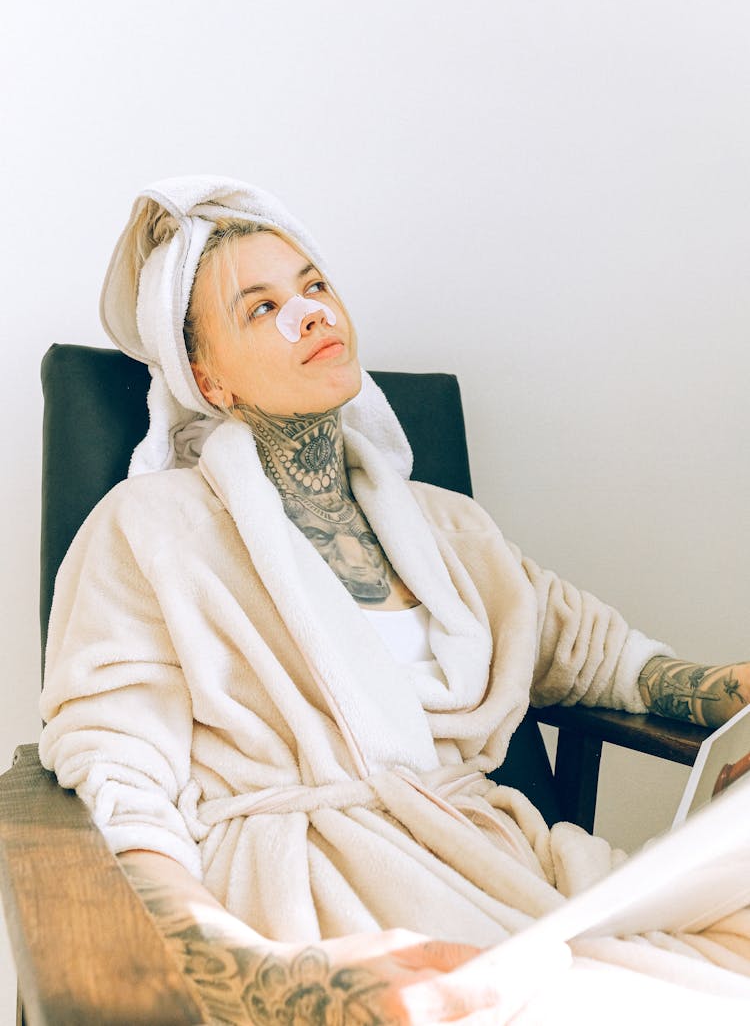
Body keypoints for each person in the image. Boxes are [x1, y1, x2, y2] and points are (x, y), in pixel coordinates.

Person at [39, 176, 750, 1023]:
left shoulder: (445, 526)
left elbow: (592, 651)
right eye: (260, 308)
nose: (309, 312)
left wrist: (728, 694)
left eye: (314, 285)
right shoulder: (152, 527)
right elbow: (118, 772)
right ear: (206, 378)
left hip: (494, 863)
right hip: (310, 895)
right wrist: (229, 958)